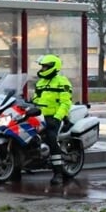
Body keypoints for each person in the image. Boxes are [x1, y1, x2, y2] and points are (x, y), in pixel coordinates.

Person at [32, 54, 73, 185]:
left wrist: (57, 117)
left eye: (45, 66)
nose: (43, 69)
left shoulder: (62, 81)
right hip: (40, 117)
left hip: (54, 118)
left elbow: (66, 103)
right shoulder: (40, 82)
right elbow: (35, 100)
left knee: (51, 138)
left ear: (53, 67)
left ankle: (58, 173)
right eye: (42, 66)